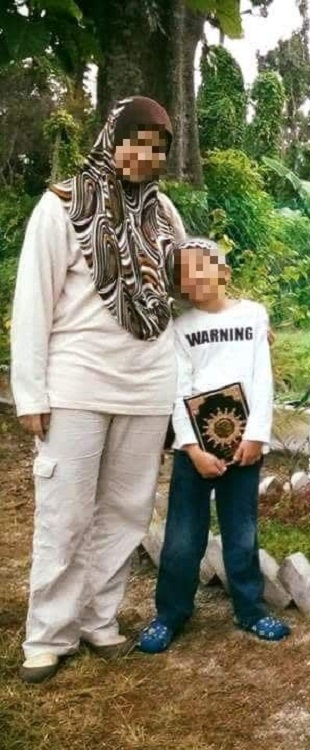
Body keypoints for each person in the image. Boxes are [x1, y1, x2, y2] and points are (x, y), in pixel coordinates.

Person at [11, 96, 186, 683]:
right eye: (136, 140)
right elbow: (33, 301)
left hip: (148, 384)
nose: (145, 155)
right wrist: (30, 393)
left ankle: (99, 618)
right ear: (112, 138)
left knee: (127, 512)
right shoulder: (61, 206)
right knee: (64, 511)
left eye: (158, 147)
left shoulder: (164, 214)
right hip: (78, 383)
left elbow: (181, 297)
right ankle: (49, 634)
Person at [137, 237, 290, 653]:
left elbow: (262, 377)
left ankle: (250, 609)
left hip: (245, 446)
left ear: (223, 271)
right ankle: (170, 614)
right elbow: (179, 389)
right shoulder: (181, 328)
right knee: (184, 537)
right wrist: (191, 448)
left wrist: (257, 434)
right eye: (185, 274)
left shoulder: (254, 316)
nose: (195, 279)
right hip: (197, 453)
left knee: (242, 533)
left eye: (202, 268)